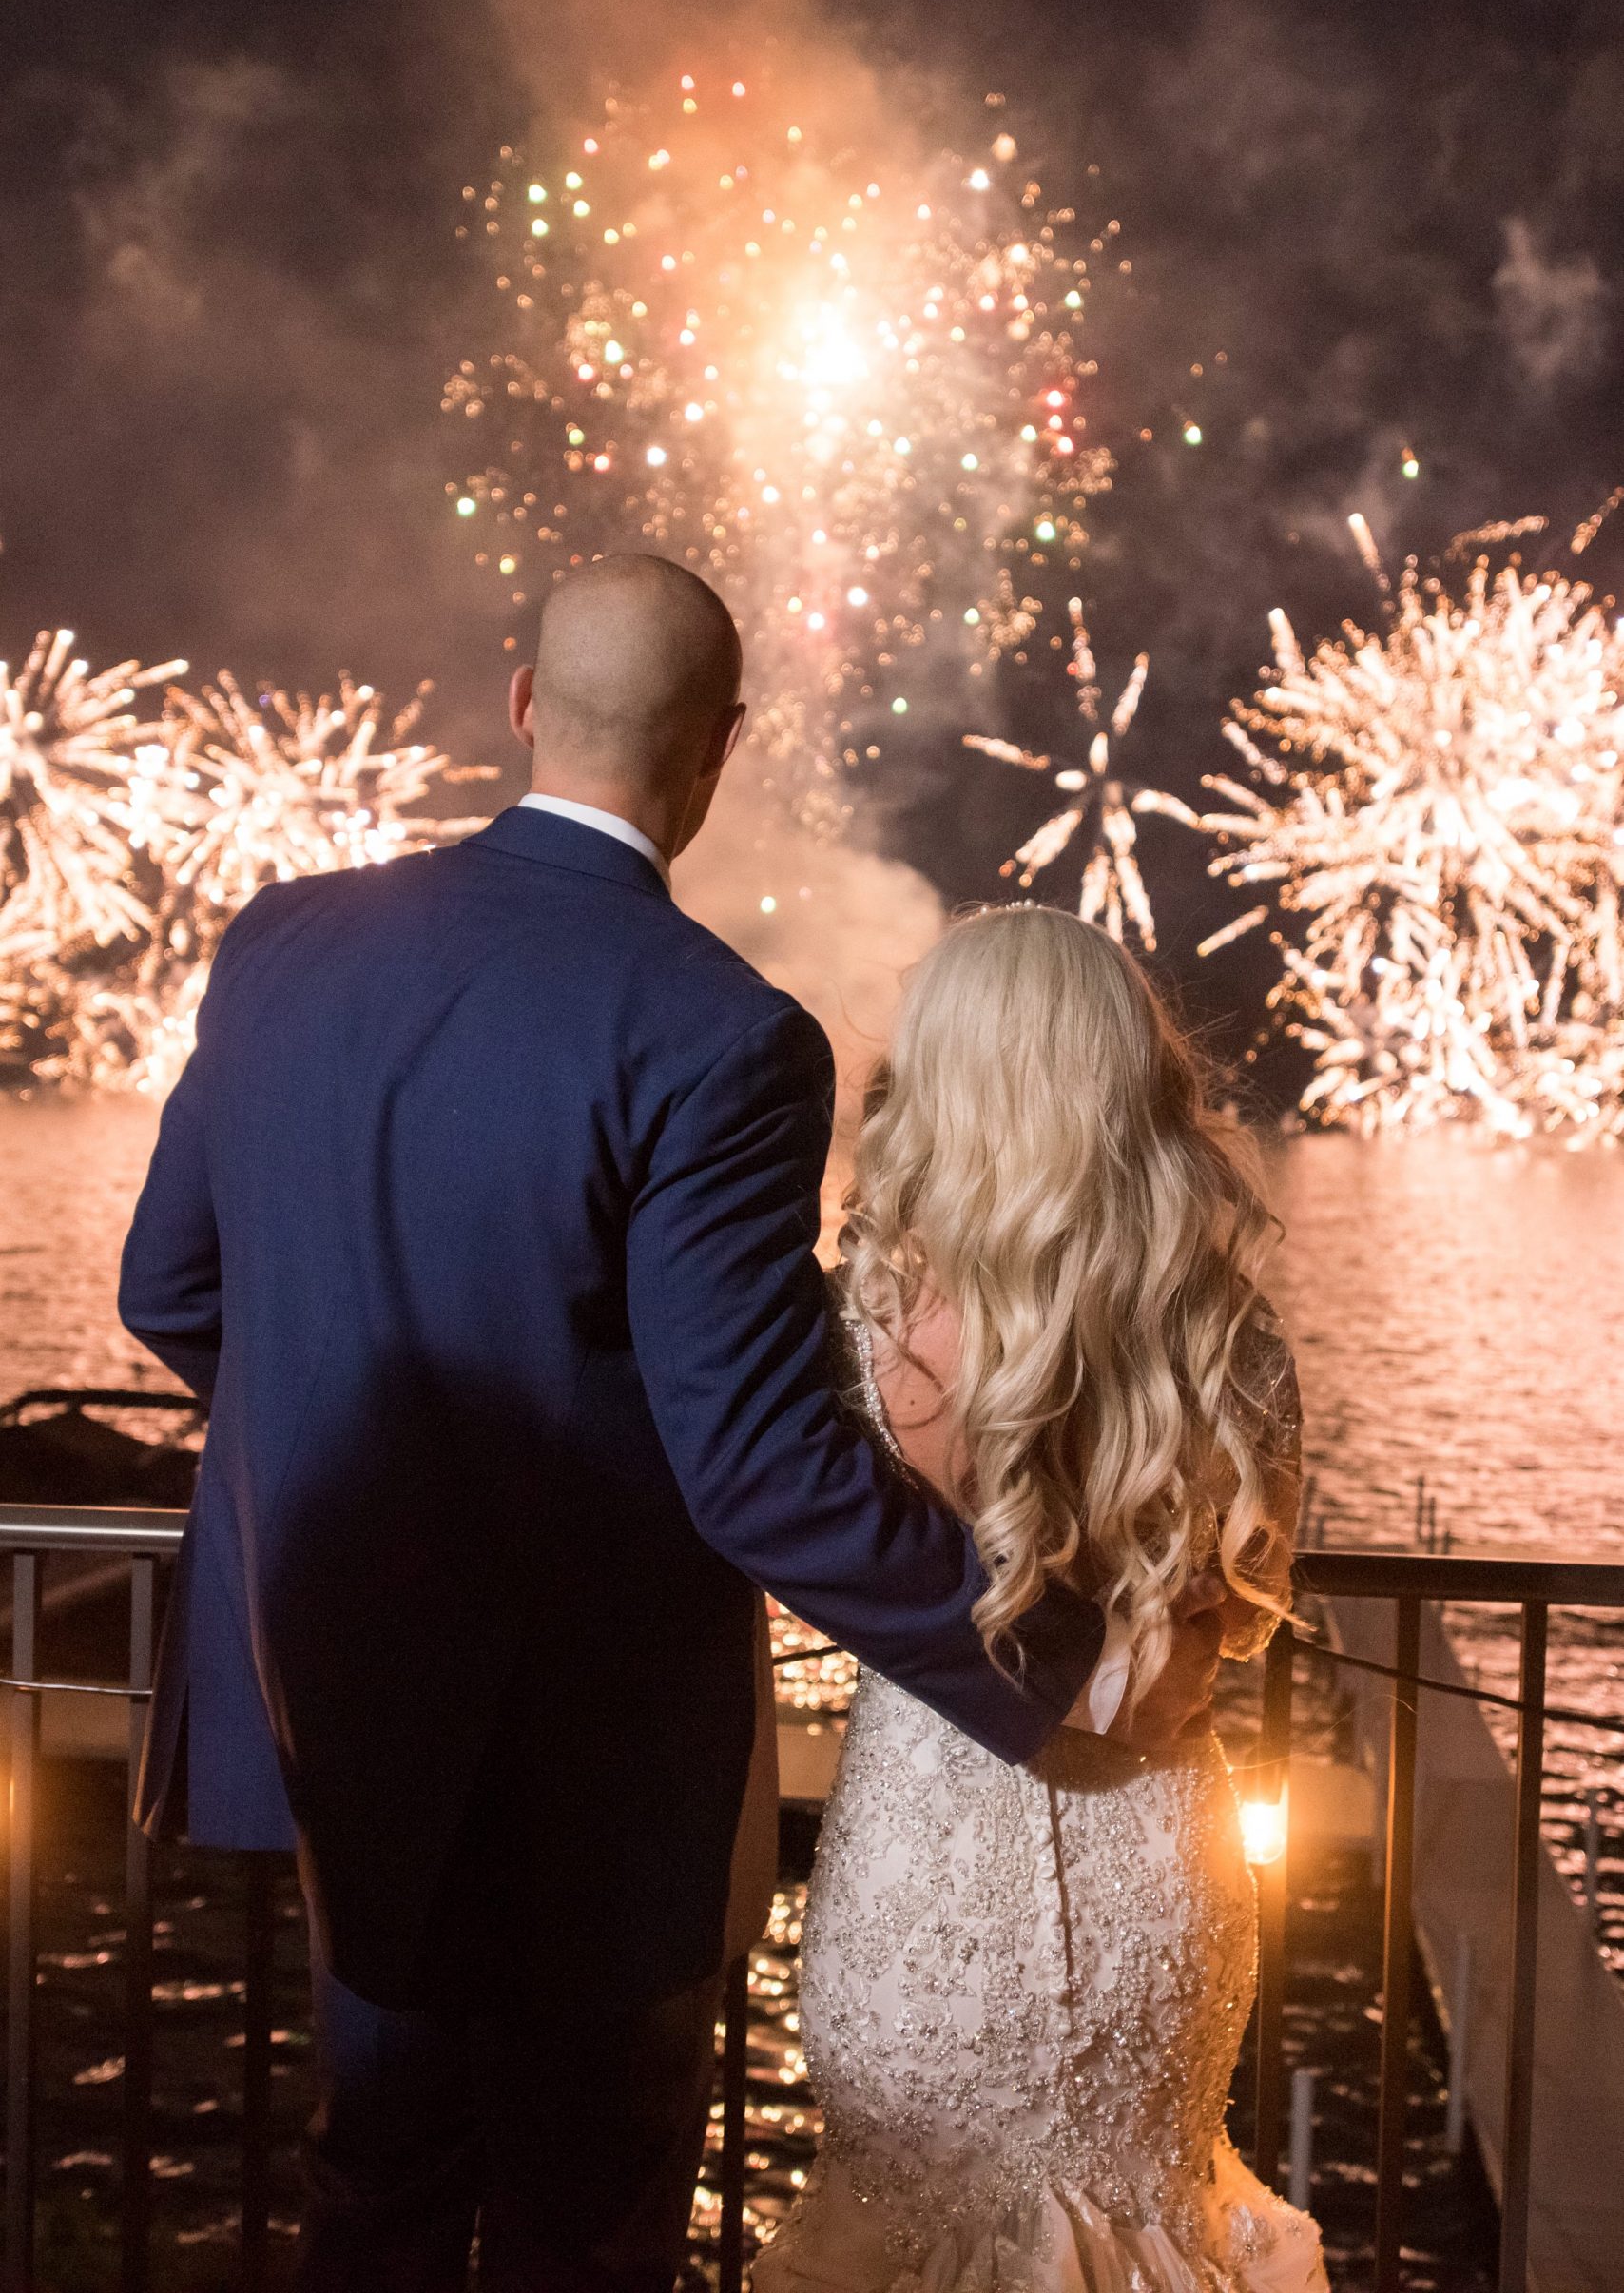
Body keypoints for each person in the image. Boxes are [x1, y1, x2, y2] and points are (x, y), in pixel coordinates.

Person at [118, 556, 1216, 2292]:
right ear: (719, 754)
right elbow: (763, 1460)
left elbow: (170, 1291)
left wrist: (367, 1453)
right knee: (585, 2232)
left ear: (524, 702)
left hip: (323, 1706)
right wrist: (1059, 1663)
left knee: (371, 2198)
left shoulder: (284, 943)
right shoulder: (719, 1035)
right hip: (585, 1779)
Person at [755, 906, 1328, 2293]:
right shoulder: (1224, 1330)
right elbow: (1245, 1610)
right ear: (1133, 1074)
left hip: (919, 1885)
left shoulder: (860, 1325)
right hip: (1158, 1873)